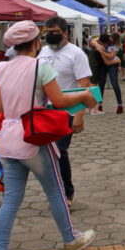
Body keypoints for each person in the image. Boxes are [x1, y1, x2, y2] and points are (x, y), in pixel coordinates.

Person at [0, 20, 96, 250]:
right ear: (36, 42)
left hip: (7, 140)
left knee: (10, 200)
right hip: (32, 138)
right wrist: (83, 94)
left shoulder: (2, 68)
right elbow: (59, 101)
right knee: (56, 192)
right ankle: (71, 241)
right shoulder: (41, 67)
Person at [38, 16, 92, 209]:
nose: (51, 36)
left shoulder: (76, 54)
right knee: (47, 153)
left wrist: (79, 114)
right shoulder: (42, 52)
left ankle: (66, 194)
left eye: (55, 33)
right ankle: (55, 191)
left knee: (59, 151)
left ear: (65, 32)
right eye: (48, 33)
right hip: (43, 110)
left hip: (66, 111)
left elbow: (84, 86)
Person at [90, 33, 124, 114]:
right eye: (109, 40)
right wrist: (98, 46)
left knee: (114, 83)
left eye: (111, 41)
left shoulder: (117, 45)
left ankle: (120, 105)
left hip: (112, 64)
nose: (109, 42)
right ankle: (100, 105)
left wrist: (102, 52)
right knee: (101, 84)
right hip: (103, 64)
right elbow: (93, 41)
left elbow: (111, 57)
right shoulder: (105, 37)